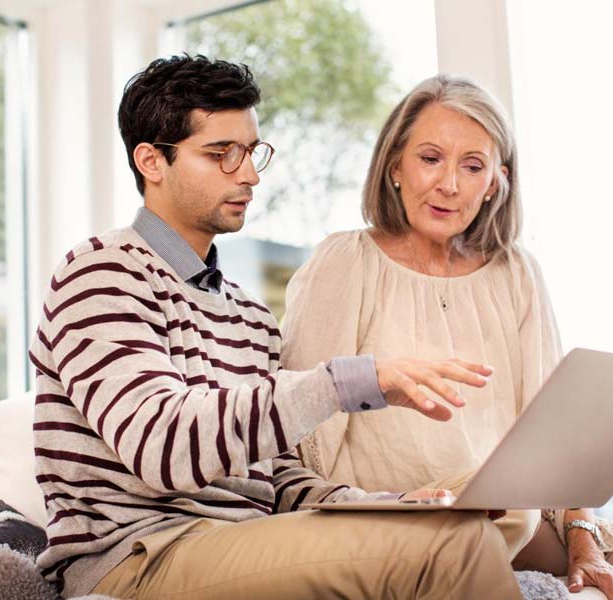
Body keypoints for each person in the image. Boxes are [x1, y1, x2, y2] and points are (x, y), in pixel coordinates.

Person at [28, 56, 522, 600]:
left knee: (475, 513)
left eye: (252, 152)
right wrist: (348, 382)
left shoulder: (248, 315)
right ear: (151, 161)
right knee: (457, 548)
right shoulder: (101, 271)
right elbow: (161, 447)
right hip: (140, 559)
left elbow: (278, 483)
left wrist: (385, 510)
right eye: (221, 155)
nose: (249, 175)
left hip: (244, 542)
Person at [281, 74, 613, 600]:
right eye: (430, 158)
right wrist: (375, 505)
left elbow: (558, 433)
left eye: (471, 166)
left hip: (506, 518)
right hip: (392, 518)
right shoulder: (344, 261)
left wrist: (583, 542)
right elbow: (299, 427)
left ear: (495, 182)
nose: (449, 184)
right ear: (394, 168)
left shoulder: (515, 271)